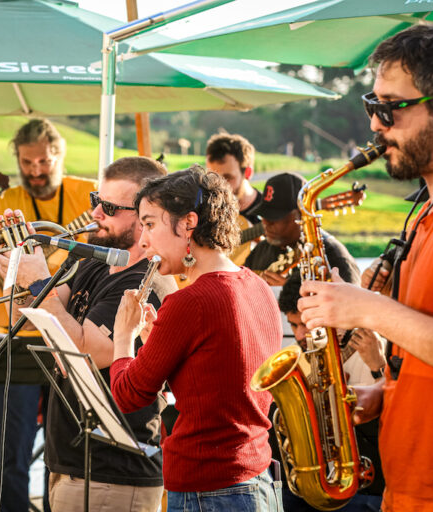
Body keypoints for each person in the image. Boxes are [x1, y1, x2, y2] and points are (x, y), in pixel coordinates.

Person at [298, 20, 433, 511]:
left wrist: (366, 309)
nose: (374, 125)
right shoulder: (430, 209)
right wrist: (390, 395)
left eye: (389, 108)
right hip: (410, 489)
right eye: (372, 106)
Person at [2, 156, 171, 512]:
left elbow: (87, 351)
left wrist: (37, 280)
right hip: (71, 463)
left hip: (115, 472)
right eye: (96, 200)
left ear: (145, 219)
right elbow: (25, 318)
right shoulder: (96, 262)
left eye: (108, 207)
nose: (95, 213)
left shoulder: (145, 285)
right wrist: (18, 261)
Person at [110, 166, 283, 512]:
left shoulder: (188, 302)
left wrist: (123, 339)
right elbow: (223, 385)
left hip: (209, 490)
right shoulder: (257, 285)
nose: (142, 240)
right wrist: (161, 346)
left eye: (149, 224)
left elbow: (128, 396)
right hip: (258, 479)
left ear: (188, 223)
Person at [0, 118, 96, 512]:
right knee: (13, 456)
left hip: (70, 341)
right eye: (27, 162)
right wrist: (2, 266)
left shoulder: (89, 195)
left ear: (60, 155)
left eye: (44, 161)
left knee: (71, 454)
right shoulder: (1, 203)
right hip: (16, 341)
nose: (36, 171)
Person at [276, 274, 385, 511]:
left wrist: (378, 366)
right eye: (293, 325)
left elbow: (396, 406)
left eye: (304, 324)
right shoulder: (303, 354)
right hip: (316, 480)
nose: (299, 335)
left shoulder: (371, 342)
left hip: (365, 485)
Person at [244, 172, 360, 286]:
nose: (266, 222)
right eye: (263, 215)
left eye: (275, 217)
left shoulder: (335, 257)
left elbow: (352, 302)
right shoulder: (261, 249)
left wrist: (290, 294)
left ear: (302, 214)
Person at [205, 133, 262, 265]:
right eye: (213, 177)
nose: (219, 186)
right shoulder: (205, 208)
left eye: (227, 178)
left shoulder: (269, 210)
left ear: (247, 173)